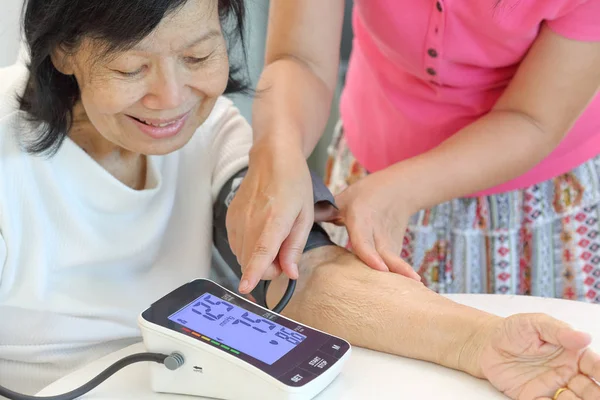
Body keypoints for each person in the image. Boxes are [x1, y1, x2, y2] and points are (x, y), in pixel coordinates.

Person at [0, 1, 599, 399]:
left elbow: (307, 269)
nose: (172, 97)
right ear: (63, 51)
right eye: (133, 68)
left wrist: (482, 344)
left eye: (199, 57)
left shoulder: (214, 133)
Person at [226, 0, 600, 304]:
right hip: (370, 175)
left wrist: (399, 191)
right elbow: (299, 57)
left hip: (531, 198)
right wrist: (277, 152)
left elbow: (532, 119)